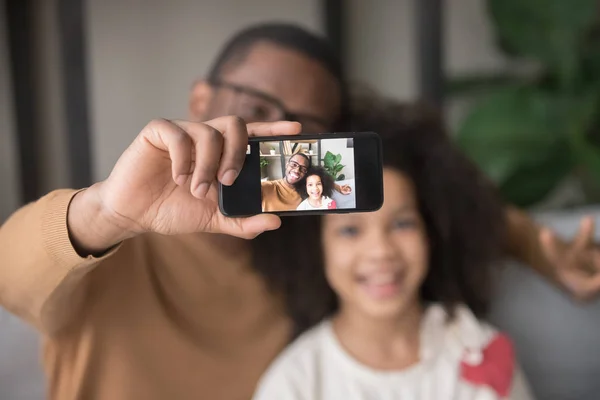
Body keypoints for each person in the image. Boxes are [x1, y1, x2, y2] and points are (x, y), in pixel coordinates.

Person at [0, 22, 597, 400]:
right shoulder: (110, 240)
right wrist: (110, 211)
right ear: (200, 99)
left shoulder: (315, 252)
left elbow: (429, 211)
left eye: (303, 130)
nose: (266, 136)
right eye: (255, 104)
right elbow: (9, 275)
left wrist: (541, 250)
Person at [252, 101, 534, 400]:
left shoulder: (478, 348)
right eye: (350, 230)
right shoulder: (295, 382)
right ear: (315, 246)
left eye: (402, 224)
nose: (380, 251)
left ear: (433, 231)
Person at [261, 153, 349, 212]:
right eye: (294, 164)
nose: (296, 170)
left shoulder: (306, 189)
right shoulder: (267, 187)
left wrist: (338, 187)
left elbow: (319, 181)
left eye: (302, 169)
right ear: (287, 165)